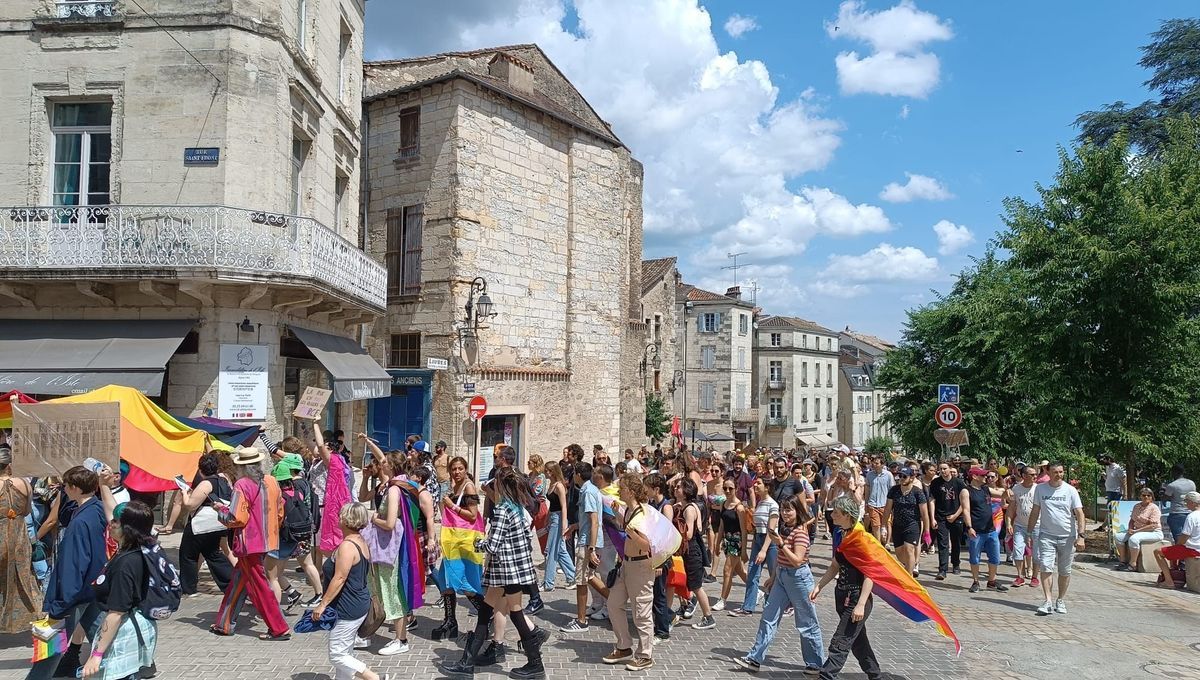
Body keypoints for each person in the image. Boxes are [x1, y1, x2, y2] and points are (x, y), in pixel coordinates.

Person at [442, 468, 549, 679]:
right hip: (515, 569)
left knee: (516, 614)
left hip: (506, 571)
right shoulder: (517, 507)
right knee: (485, 612)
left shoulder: (502, 510)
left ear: (500, 486)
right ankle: (467, 662)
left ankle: (535, 663)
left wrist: (476, 543)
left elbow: (493, 545)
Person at [26, 465, 107, 680]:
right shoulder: (96, 509)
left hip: (74, 595)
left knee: (50, 649)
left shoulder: (79, 522)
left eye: (66, 486)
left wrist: (60, 605)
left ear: (75, 488)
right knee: (103, 641)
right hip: (93, 588)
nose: (64, 489)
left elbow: (74, 565)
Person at [733, 496, 824, 674]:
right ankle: (755, 658)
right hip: (782, 576)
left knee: (806, 622)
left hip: (799, 579)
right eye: (783, 509)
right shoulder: (783, 529)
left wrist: (781, 544)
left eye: (789, 510)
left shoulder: (800, 532)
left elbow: (797, 560)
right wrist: (773, 576)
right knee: (768, 617)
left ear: (798, 512)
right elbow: (782, 560)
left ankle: (815, 663)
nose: (784, 513)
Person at [210, 445, 290, 639]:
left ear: (242, 467)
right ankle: (225, 623)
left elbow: (236, 518)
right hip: (268, 539)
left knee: (259, 586)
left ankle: (278, 628)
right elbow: (280, 511)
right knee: (238, 581)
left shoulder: (242, 485)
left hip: (249, 543)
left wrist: (220, 509)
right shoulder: (271, 481)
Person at [80, 501, 160, 680]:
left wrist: (97, 655)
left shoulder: (126, 563)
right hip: (135, 625)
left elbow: (116, 612)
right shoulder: (138, 551)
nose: (111, 524)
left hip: (124, 630)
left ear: (129, 528)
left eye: (116, 521)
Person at [311, 502, 390, 680]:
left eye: (341, 515)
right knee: (345, 649)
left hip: (348, 606)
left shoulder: (347, 546)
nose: (338, 518)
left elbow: (340, 578)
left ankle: (373, 677)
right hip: (358, 602)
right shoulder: (360, 541)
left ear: (347, 520)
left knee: (337, 654)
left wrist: (322, 605)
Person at [810, 495, 882, 680]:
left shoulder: (861, 539)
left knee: (840, 641)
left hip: (857, 597)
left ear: (847, 515)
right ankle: (875, 675)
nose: (832, 515)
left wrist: (860, 604)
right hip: (842, 595)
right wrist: (819, 586)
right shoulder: (842, 534)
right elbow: (835, 565)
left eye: (836, 512)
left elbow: (870, 574)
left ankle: (826, 676)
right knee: (857, 641)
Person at [357, 446, 410, 655]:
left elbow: (389, 522)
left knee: (390, 589)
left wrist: (373, 519)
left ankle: (401, 639)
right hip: (379, 544)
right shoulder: (384, 486)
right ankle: (368, 632)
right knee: (375, 589)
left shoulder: (395, 488)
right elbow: (362, 496)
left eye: (385, 461)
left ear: (392, 465)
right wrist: (365, 477)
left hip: (388, 545)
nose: (381, 463)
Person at [601, 474, 657, 672]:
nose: (618, 491)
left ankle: (645, 655)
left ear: (631, 492)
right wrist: (619, 515)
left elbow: (647, 546)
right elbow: (627, 526)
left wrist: (631, 532)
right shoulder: (630, 512)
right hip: (626, 564)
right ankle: (624, 645)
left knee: (641, 613)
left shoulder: (642, 515)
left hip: (641, 567)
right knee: (614, 603)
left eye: (622, 488)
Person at [1026, 462, 1085, 615]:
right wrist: (1029, 533)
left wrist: (1081, 536)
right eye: (1055, 472)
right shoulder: (1040, 489)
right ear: (1048, 473)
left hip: (1068, 537)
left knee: (1065, 571)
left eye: (1060, 472)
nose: (1058, 474)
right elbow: (1035, 511)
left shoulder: (1070, 490)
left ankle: (1061, 600)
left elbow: (1080, 514)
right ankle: (1048, 601)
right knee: (1046, 566)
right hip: (1046, 536)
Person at [268, 453, 322, 609]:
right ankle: (310, 593)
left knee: (276, 573)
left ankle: (294, 595)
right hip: (303, 528)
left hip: (291, 533)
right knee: (306, 563)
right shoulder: (304, 484)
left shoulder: (292, 487)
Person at [177, 452, 234, 598]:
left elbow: (190, 505)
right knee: (212, 553)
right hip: (218, 522)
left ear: (201, 469)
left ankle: (189, 589)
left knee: (188, 554)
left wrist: (184, 493)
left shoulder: (206, 483)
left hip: (202, 523)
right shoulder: (223, 479)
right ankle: (231, 582)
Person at [561, 461, 608, 632]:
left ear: (578, 475)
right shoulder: (590, 489)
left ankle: (581, 621)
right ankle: (615, 602)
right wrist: (575, 526)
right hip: (589, 539)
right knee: (589, 577)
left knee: (581, 580)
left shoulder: (587, 491)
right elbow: (589, 520)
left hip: (588, 542)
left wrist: (591, 547)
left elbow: (594, 521)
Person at [0, 444, 39, 634]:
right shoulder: (24, 483)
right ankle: (29, 616)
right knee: (23, 577)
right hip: (19, 535)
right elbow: (28, 510)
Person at [671, 477, 716, 629]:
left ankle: (708, 617)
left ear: (685, 492)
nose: (675, 489)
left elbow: (688, 534)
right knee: (681, 581)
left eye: (679, 487)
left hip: (691, 551)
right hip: (685, 551)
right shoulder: (682, 506)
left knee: (696, 585)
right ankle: (685, 605)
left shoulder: (689, 509)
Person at [731, 477, 778, 618]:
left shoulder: (773, 505)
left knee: (774, 575)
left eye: (759, 483)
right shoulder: (760, 503)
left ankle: (777, 605)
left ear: (767, 487)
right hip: (758, 539)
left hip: (770, 543)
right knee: (752, 574)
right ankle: (748, 607)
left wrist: (764, 550)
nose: (755, 485)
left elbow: (772, 530)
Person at [965, 468, 1008, 593]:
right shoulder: (966, 491)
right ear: (974, 476)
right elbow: (966, 510)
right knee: (975, 558)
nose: (986, 477)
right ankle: (976, 581)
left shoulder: (985, 489)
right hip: (976, 530)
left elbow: (1001, 495)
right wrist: (969, 527)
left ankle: (992, 581)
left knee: (995, 557)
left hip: (991, 529)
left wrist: (1007, 489)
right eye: (983, 475)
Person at [883, 467, 929, 579]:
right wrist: (883, 526)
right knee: (899, 555)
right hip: (897, 525)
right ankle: (910, 564)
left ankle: (908, 578)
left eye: (905, 476)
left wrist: (927, 531)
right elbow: (887, 509)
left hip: (912, 524)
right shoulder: (894, 490)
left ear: (912, 478)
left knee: (909, 549)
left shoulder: (917, 493)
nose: (901, 479)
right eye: (900, 476)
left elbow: (924, 513)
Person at [712, 478, 747, 612]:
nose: (727, 491)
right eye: (725, 488)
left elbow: (744, 530)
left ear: (736, 489)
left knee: (727, 570)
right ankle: (756, 591)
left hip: (736, 541)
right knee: (739, 570)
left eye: (730, 488)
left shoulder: (739, 508)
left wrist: (744, 550)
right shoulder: (724, 504)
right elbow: (721, 525)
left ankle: (723, 600)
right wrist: (717, 542)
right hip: (727, 540)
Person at [929, 461, 969, 580]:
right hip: (941, 517)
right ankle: (943, 569)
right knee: (943, 543)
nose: (943, 471)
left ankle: (956, 564)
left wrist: (956, 515)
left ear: (950, 469)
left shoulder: (958, 483)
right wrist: (932, 518)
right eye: (940, 469)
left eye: (945, 468)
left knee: (956, 541)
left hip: (956, 516)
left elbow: (964, 502)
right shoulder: (935, 483)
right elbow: (932, 500)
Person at [1152, 491, 1200, 589]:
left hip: (1193, 549)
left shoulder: (1192, 516)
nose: (1185, 503)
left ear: (1193, 503)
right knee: (1173, 552)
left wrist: (1177, 546)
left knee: (1158, 552)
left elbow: (1184, 537)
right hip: (1195, 548)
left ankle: (1169, 582)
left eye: (1186, 501)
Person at [541, 461, 575, 593]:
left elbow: (563, 505)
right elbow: (552, 504)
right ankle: (572, 576)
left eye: (548, 471)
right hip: (554, 516)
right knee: (560, 550)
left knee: (551, 550)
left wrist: (564, 523)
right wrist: (547, 517)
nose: (546, 473)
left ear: (553, 471)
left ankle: (548, 582)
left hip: (559, 518)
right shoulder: (552, 484)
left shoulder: (559, 486)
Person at [1007, 466, 1041, 588]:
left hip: (1037, 526)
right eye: (1032, 474)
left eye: (1035, 474)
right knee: (1017, 551)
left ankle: (1035, 577)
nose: (1035, 477)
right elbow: (1011, 507)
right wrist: (1009, 522)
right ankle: (1020, 576)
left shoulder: (1039, 489)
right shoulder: (1016, 489)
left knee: (1037, 554)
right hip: (1020, 526)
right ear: (1024, 476)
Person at [1115, 488, 1163, 571]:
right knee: (1118, 537)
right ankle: (1123, 561)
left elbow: (1153, 525)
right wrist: (1130, 529)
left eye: (1149, 495)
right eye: (1144, 495)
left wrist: (1136, 531)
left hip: (1153, 532)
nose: (1146, 497)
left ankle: (1133, 564)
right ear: (1140, 496)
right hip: (1136, 530)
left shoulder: (1154, 508)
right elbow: (1132, 520)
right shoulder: (1136, 506)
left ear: (1152, 497)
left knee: (1134, 539)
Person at [863, 456, 893, 545]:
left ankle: (886, 543)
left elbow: (891, 490)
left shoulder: (888, 475)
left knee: (886, 524)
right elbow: (867, 490)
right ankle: (878, 544)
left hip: (885, 504)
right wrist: (866, 503)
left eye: (877, 463)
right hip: (873, 504)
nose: (874, 465)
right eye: (873, 463)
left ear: (882, 464)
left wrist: (891, 505)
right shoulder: (869, 475)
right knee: (876, 526)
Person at [1162, 464, 1196, 541]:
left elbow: (1165, 499)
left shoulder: (1172, 485)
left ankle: (1180, 552)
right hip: (1191, 513)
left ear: (1174, 472)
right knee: (1190, 537)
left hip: (1176, 513)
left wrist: (1164, 490)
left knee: (1178, 538)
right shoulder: (1192, 483)